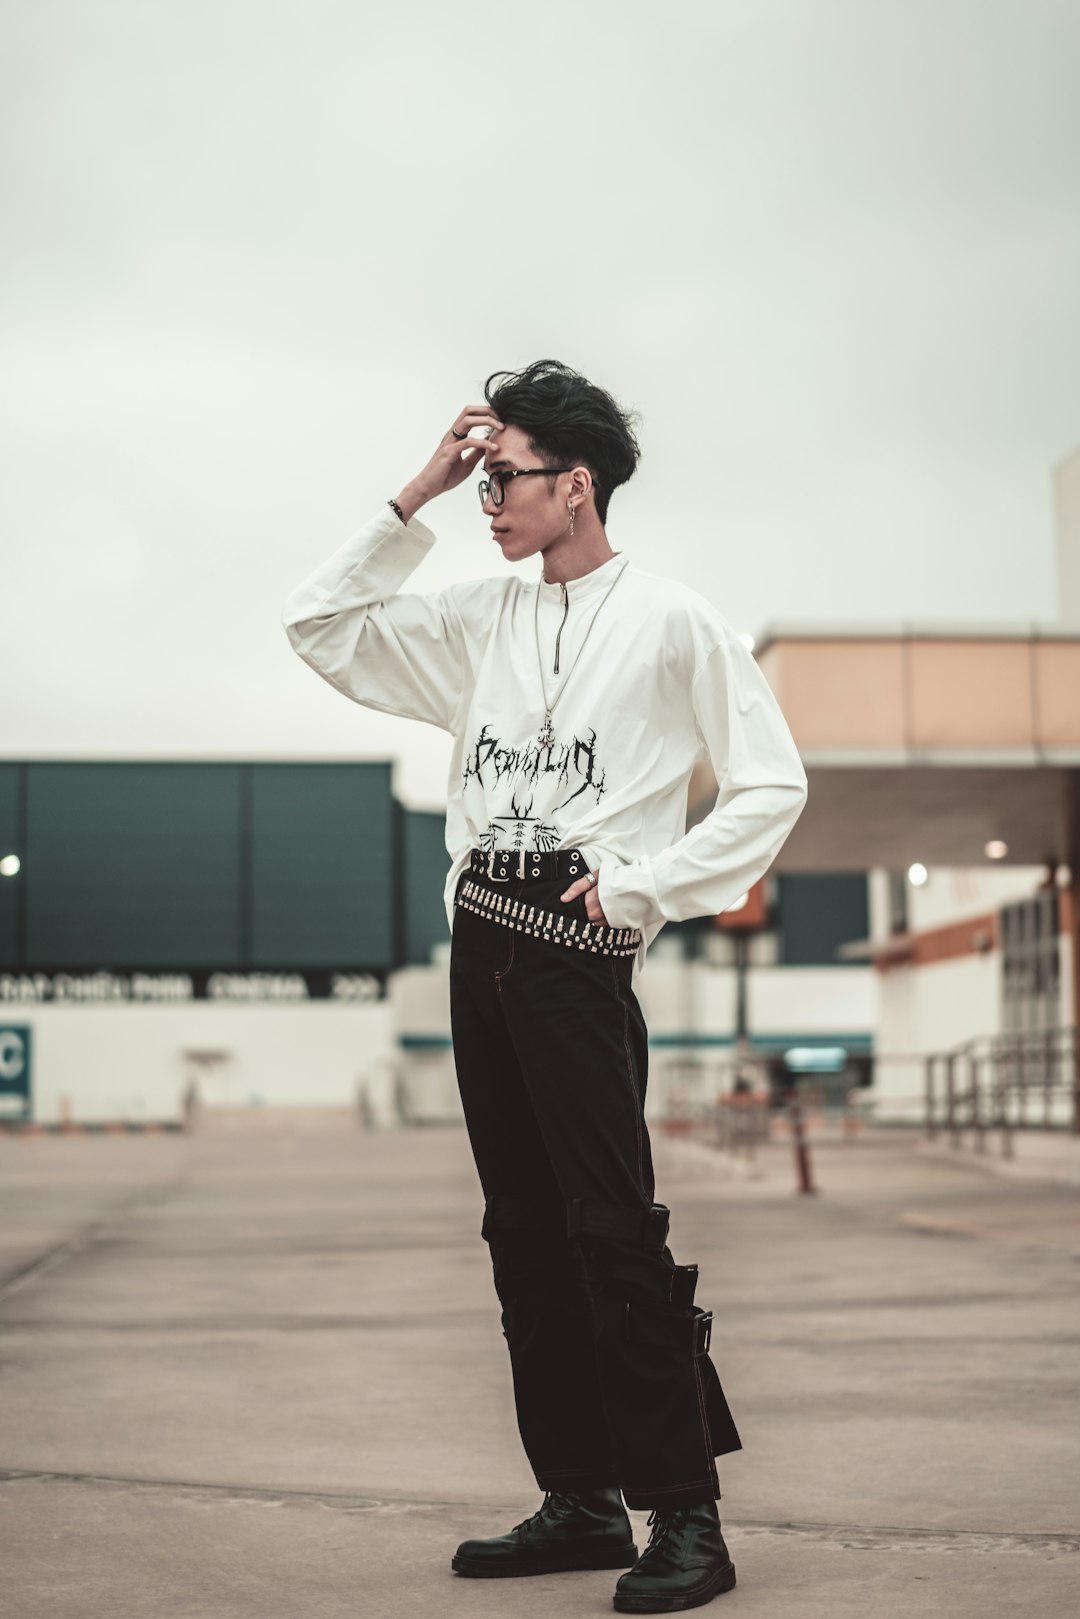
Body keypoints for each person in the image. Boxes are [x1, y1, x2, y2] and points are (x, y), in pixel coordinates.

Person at [281, 359, 808, 1613]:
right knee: (520, 1230)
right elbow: (321, 629)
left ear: (579, 484)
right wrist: (415, 495)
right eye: (481, 475)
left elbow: (770, 784)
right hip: (483, 941)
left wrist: (645, 887)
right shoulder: (477, 618)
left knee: (612, 1227)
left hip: (578, 951)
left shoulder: (676, 621)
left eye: (504, 475)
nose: (490, 496)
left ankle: (688, 1515)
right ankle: (580, 1497)